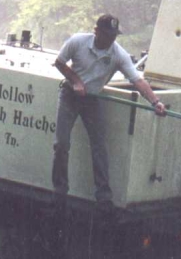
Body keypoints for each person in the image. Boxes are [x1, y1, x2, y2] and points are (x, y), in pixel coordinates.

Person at [53, 14, 166, 208]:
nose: (110, 39)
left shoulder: (118, 54)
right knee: (61, 143)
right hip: (69, 95)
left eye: (114, 36)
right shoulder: (78, 41)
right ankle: (60, 192)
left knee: (99, 145)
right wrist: (76, 81)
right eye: (107, 35)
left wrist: (155, 102)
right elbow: (59, 62)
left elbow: (137, 80)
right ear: (96, 31)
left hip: (92, 99)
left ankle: (104, 196)